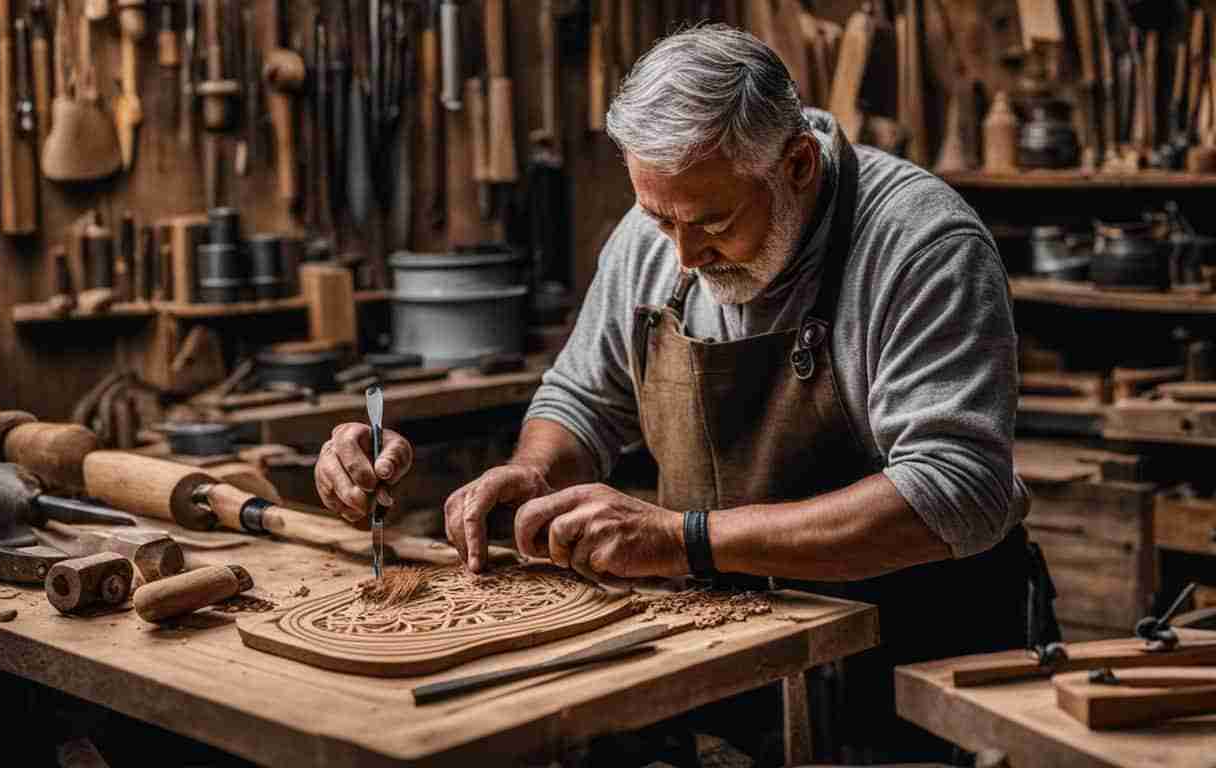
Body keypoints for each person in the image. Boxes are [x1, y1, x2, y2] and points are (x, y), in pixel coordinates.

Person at [315, 24, 1051, 760]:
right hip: (730, 649)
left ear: (797, 164)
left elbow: (957, 492)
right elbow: (579, 398)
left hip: (911, 665)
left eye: (714, 222)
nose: (685, 258)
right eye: (659, 218)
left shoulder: (919, 245)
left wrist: (683, 540)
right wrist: (534, 474)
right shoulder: (659, 234)